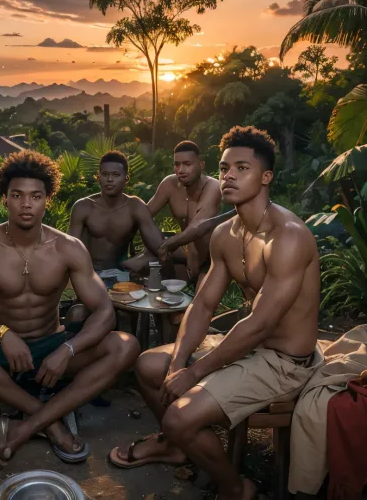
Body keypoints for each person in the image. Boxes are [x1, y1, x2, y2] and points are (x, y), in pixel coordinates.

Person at [109, 126, 322, 500]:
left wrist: (193, 372)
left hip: (285, 361)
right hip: (246, 349)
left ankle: (236, 488)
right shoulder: (226, 233)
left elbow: (261, 323)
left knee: (179, 414)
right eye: (225, 169)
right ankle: (175, 446)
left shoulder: (288, 236)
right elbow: (204, 304)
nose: (229, 177)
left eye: (242, 168)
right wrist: (178, 361)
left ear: (266, 176)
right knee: (148, 366)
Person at [0, 150, 140, 465]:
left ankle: (26, 423)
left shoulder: (68, 248)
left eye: (35, 196)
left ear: (47, 200)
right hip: (0, 355)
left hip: (51, 353)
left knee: (126, 345)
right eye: (17, 195)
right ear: (5, 199)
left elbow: (105, 312)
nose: (26, 204)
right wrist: (0, 333)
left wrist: (67, 349)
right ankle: (47, 420)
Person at [126, 140, 224, 282]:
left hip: (210, 260)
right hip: (185, 256)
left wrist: (168, 245)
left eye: (187, 164)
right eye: (177, 164)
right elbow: (143, 216)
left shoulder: (213, 187)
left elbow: (197, 227)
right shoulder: (169, 184)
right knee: (130, 266)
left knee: (196, 300)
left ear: (201, 165)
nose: (180, 170)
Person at [68, 150, 163, 276]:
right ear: (98, 177)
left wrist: (137, 261)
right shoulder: (83, 207)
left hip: (121, 273)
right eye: (105, 174)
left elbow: (159, 248)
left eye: (116, 175)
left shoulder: (135, 206)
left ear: (126, 178)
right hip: (87, 274)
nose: (110, 179)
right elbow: (70, 250)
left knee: (163, 256)